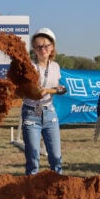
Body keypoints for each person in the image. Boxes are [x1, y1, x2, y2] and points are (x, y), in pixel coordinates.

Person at [22, 27, 66, 175]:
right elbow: (21, 90)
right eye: (39, 46)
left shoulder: (55, 67)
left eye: (46, 45)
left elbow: (58, 88)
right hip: (31, 113)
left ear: (52, 47)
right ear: (34, 49)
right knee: (33, 160)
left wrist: (50, 90)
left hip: (49, 113)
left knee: (56, 158)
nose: (43, 49)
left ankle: (57, 189)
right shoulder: (29, 67)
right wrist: (33, 92)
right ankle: (30, 194)